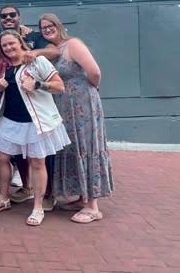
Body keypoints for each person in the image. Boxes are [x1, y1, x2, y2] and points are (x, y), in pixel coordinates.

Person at [0, 30, 70, 226]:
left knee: (37, 162)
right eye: (4, 45)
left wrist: (38, 84)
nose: (8, 48)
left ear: (20, 42)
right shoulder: (3, 67)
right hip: (10, 120)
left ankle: (38, 207)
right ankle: (4, 198)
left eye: (11, 43)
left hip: (35, 121)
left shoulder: (37, 61)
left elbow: (60, 86)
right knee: (0, 157)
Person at [39, 13, 114, 223]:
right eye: (43, 28)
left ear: (59, 25)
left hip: (83, 103)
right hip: (65, 107)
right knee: (74, 146)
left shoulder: (73, 44)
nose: (47, 29)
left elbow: (95, 72)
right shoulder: (55, 49)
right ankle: (82, 198)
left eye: (51, 25)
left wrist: (90, 91)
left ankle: (93, 207)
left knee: (87, 147)